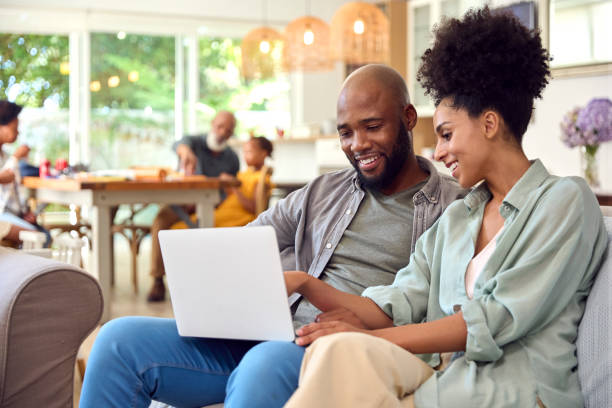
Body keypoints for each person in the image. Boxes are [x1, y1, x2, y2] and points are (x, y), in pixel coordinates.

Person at [79, 64, 466, 408]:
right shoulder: (322, 191)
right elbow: (243, 244)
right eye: (346, 132)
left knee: (262, 366)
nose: (358, 144)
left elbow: (444, 313)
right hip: (275, 334)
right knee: (118, 341)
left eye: (372, 127)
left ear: (409, 117)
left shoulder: (453, 207)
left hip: (342, 352)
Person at [281, 8, 608, 408]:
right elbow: (397, 303)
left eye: (447, 134)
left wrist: (367, 339)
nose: (438, 152)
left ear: (489, 124)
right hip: (439, 380)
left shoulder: (565, 202)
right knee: (333, 352)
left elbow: (491, 319)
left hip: (513, 393)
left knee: (346, 356)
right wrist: (305, 284)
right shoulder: (458, 217)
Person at [148, 110, 240, 301]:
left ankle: (202, 282)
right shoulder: (195, 142)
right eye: (220, 126)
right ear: (212, 124)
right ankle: (157, 280)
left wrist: (226, 184)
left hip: (212, 204)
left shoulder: (232, 158)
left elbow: (231, 190)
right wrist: (185, 152)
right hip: (180, 202)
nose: (223, 132)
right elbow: (179, 145)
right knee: (160, 221)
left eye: (228, 130)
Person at [171, 136, 274, 228]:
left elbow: (254, 208)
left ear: (263, 154)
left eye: (249, 152)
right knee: (190, 221)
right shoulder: (245, 174)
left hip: (239, 217)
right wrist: (227, 185)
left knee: (181, 227)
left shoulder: (262, 178)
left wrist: (234, 187)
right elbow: (232, 196)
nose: (245, 156)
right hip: (226, 211)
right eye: (244, 152)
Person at [0, 100, 48, 247]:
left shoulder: (6, 156)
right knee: (39, 238)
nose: (18, 133)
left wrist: (23, 212)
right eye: (14, 128)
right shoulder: (11, 158)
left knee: (44, 235)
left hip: (9, 214)